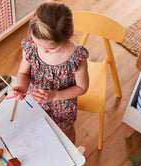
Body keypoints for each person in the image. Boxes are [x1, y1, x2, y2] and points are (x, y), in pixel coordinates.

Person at [11, 2, 89, 143]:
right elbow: (24, 73)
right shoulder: (31, 48)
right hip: (37, 99)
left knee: (66, 129)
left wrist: (54, 95)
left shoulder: (77, 58)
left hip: (63, 103)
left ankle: (70, 154)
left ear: (70, 36)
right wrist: (22, 88)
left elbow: (82, 88)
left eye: (50, 49)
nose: (43, 50)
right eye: (38, 44)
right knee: (39, 125)